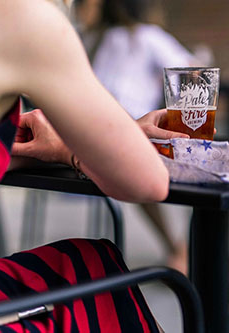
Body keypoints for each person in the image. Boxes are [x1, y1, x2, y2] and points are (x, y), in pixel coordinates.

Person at [0, 0, 176, 330]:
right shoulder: (23, 19)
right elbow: (148, 182)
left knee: (85, 262)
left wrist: (102, 137)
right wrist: (74, 148)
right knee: (94, 268)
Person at [73, 0, 195, 273]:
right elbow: (193, 71)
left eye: (83, 4)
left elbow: (190, 71)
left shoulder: (138, 37)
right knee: (186, 167)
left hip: (102, 132)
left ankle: (187, 249)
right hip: (121, 133)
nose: (79, 10)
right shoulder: (117, 37)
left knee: (143, 168)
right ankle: (190, 250)